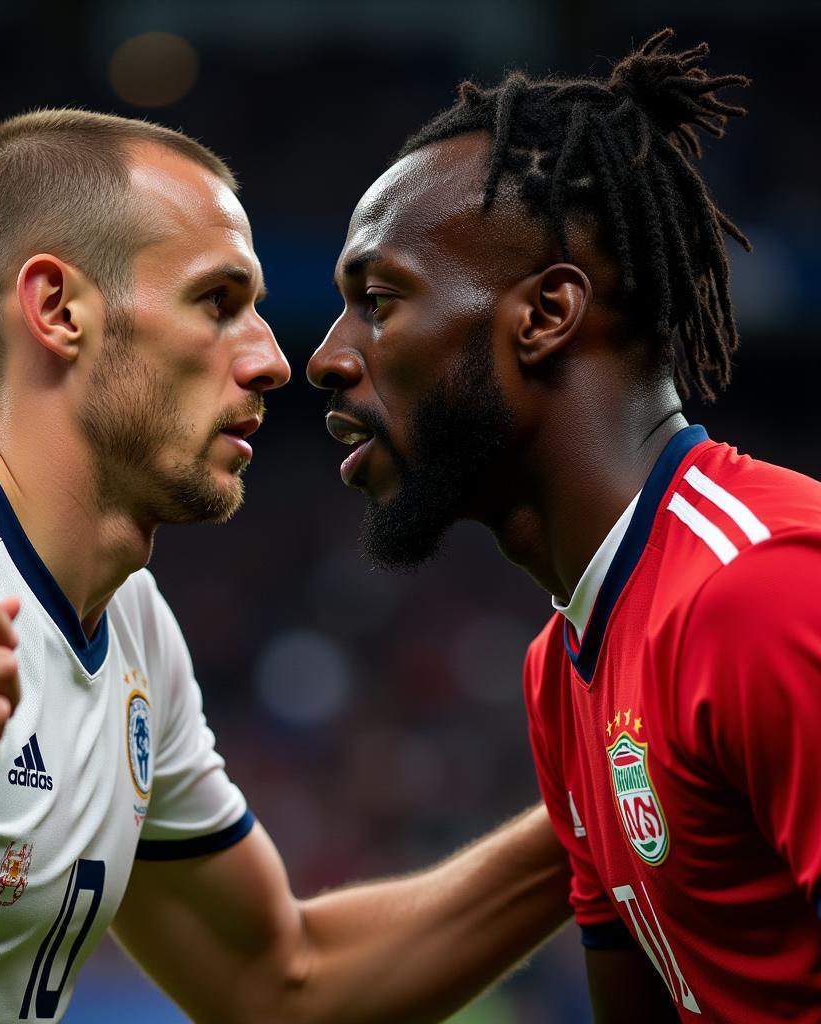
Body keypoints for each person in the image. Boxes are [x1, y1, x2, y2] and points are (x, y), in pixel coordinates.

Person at [0, 109, 571, 1024]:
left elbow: (280, 984)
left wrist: (590, 813)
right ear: (58, 310)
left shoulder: (131, 628)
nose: (274, 361)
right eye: (218, 303)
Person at [308, 28, 821, 1023]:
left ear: (544, 315)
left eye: (378, 300)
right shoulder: (563, 665)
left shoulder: (765, 589)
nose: (327, 357)